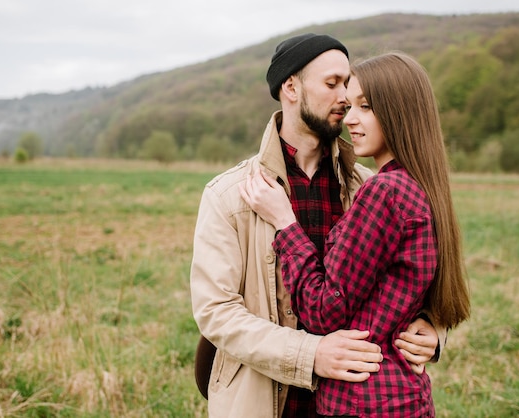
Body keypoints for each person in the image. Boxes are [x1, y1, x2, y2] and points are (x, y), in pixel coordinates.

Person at [190, 34, 447, 418]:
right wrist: (311, 355)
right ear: (290, 87)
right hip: (265, 401)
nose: (345, 97)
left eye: (349, 84)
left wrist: (432, 329)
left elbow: (417, 274)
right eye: (332, 84)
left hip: (357, 400)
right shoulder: (230, 194)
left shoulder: (369, 186)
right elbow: (217, 312)